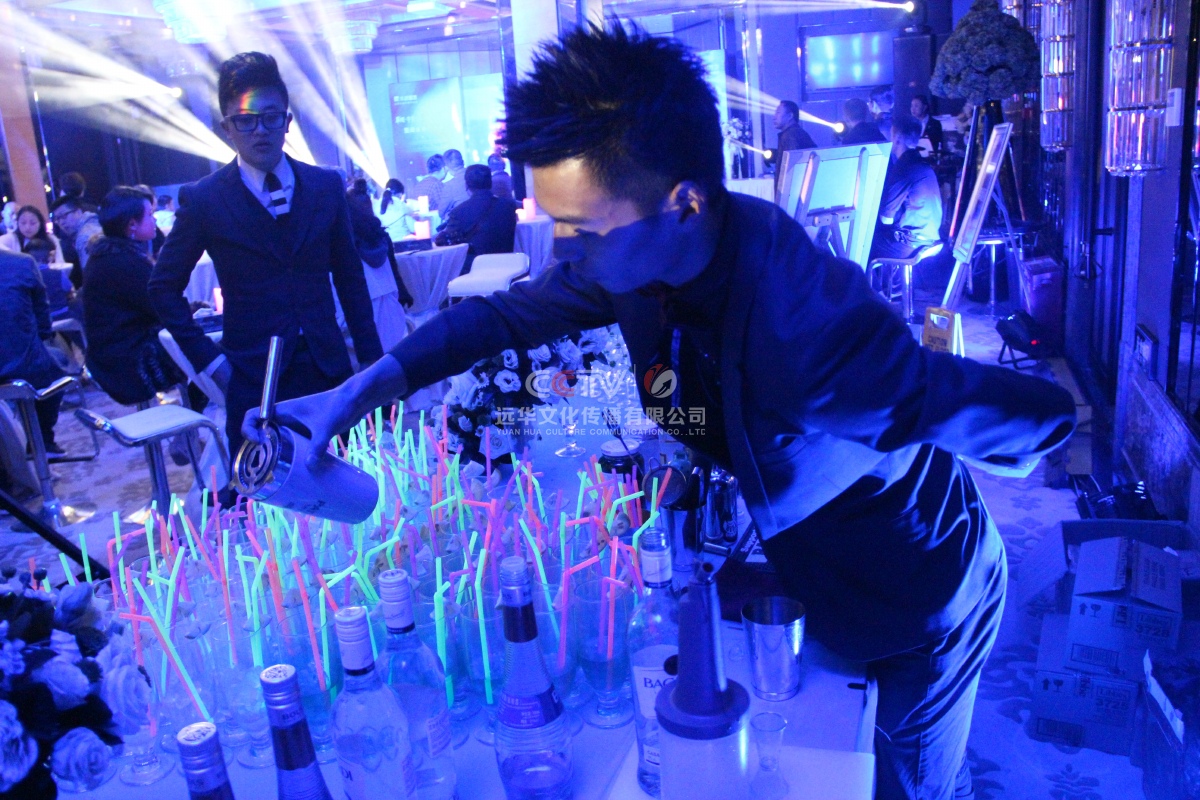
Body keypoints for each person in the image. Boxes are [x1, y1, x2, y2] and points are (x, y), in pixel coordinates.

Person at [246, 27, 1075, 800]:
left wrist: (1050, 426)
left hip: (912, 592)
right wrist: (354, 393)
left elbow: (990, 409)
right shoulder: (639, 262)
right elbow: (504, 317)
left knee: (903, 780)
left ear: (684, 203)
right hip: (804, 572)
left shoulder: (808, 338)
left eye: (579, 228)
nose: (562, 251)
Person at [148, 51, 383, 465]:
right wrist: (212, 364)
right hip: (252, 376)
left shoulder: (325, 185)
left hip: (328, 368)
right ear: (227, 127)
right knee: (262, 488)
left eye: (271, 117)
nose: (260, 130)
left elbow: (350, 277)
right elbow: (162, 288)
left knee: (346, 477)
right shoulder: (205, 199)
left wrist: (370, 360)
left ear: (287, 121)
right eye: (245, 120)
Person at [81, 187, 185, 405]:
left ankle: (190, 418)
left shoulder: (108, 257)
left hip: (111, 355)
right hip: (129, 362)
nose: (154, 219)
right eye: (149, 214)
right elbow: (162, 307)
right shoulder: (124, 263)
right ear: (132, 225)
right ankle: (196, 417)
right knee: (205, 348)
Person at [0, 249, 66, 455]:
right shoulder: (21, 263)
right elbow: (43, 321)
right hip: (24, 366)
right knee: (56, 361)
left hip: (19, 363)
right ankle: (43, 441)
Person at [347, 180, 413, 351]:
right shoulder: (380, 237)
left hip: (361, 313)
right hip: (392, 309)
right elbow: (395, 273)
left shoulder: (344, 245)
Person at [870, 115, 944, 262]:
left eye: (891, 135)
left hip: (911, 244)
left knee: (863, 243)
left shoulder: (904, 167)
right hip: (931, 238)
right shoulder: (922, 164)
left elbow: (886, 219)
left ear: (897, 139)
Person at [433, 164, 519, 273]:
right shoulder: (509, 205)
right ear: (490, 183)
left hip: (475, 270)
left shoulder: (458, 212)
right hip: (509, 265)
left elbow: (449, 244)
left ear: (467, 185)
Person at [49, 195, 102, 286]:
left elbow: (91, 276)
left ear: (78, 211)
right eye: (57, 219)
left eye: (64, 216)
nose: (61, 222)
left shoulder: (84, 237)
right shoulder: (96, 222)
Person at [768, 100, 815, 191]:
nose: (774, 117)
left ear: (790, 116)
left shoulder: (791, 135)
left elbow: (792, 165)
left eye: (778, 112)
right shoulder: (794, 133)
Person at [0, 205, 65, 264]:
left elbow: (60, 263)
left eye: (33, 223)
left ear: (40, 223)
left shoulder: (51, 239)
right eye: (23, 223)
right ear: (17, 223)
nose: (27, 227)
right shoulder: (12, 238)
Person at [440, 148, 470, 213]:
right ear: (463, 161)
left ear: (446, 166)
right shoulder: (477, 176)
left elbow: (442, 212)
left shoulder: (449, 186)